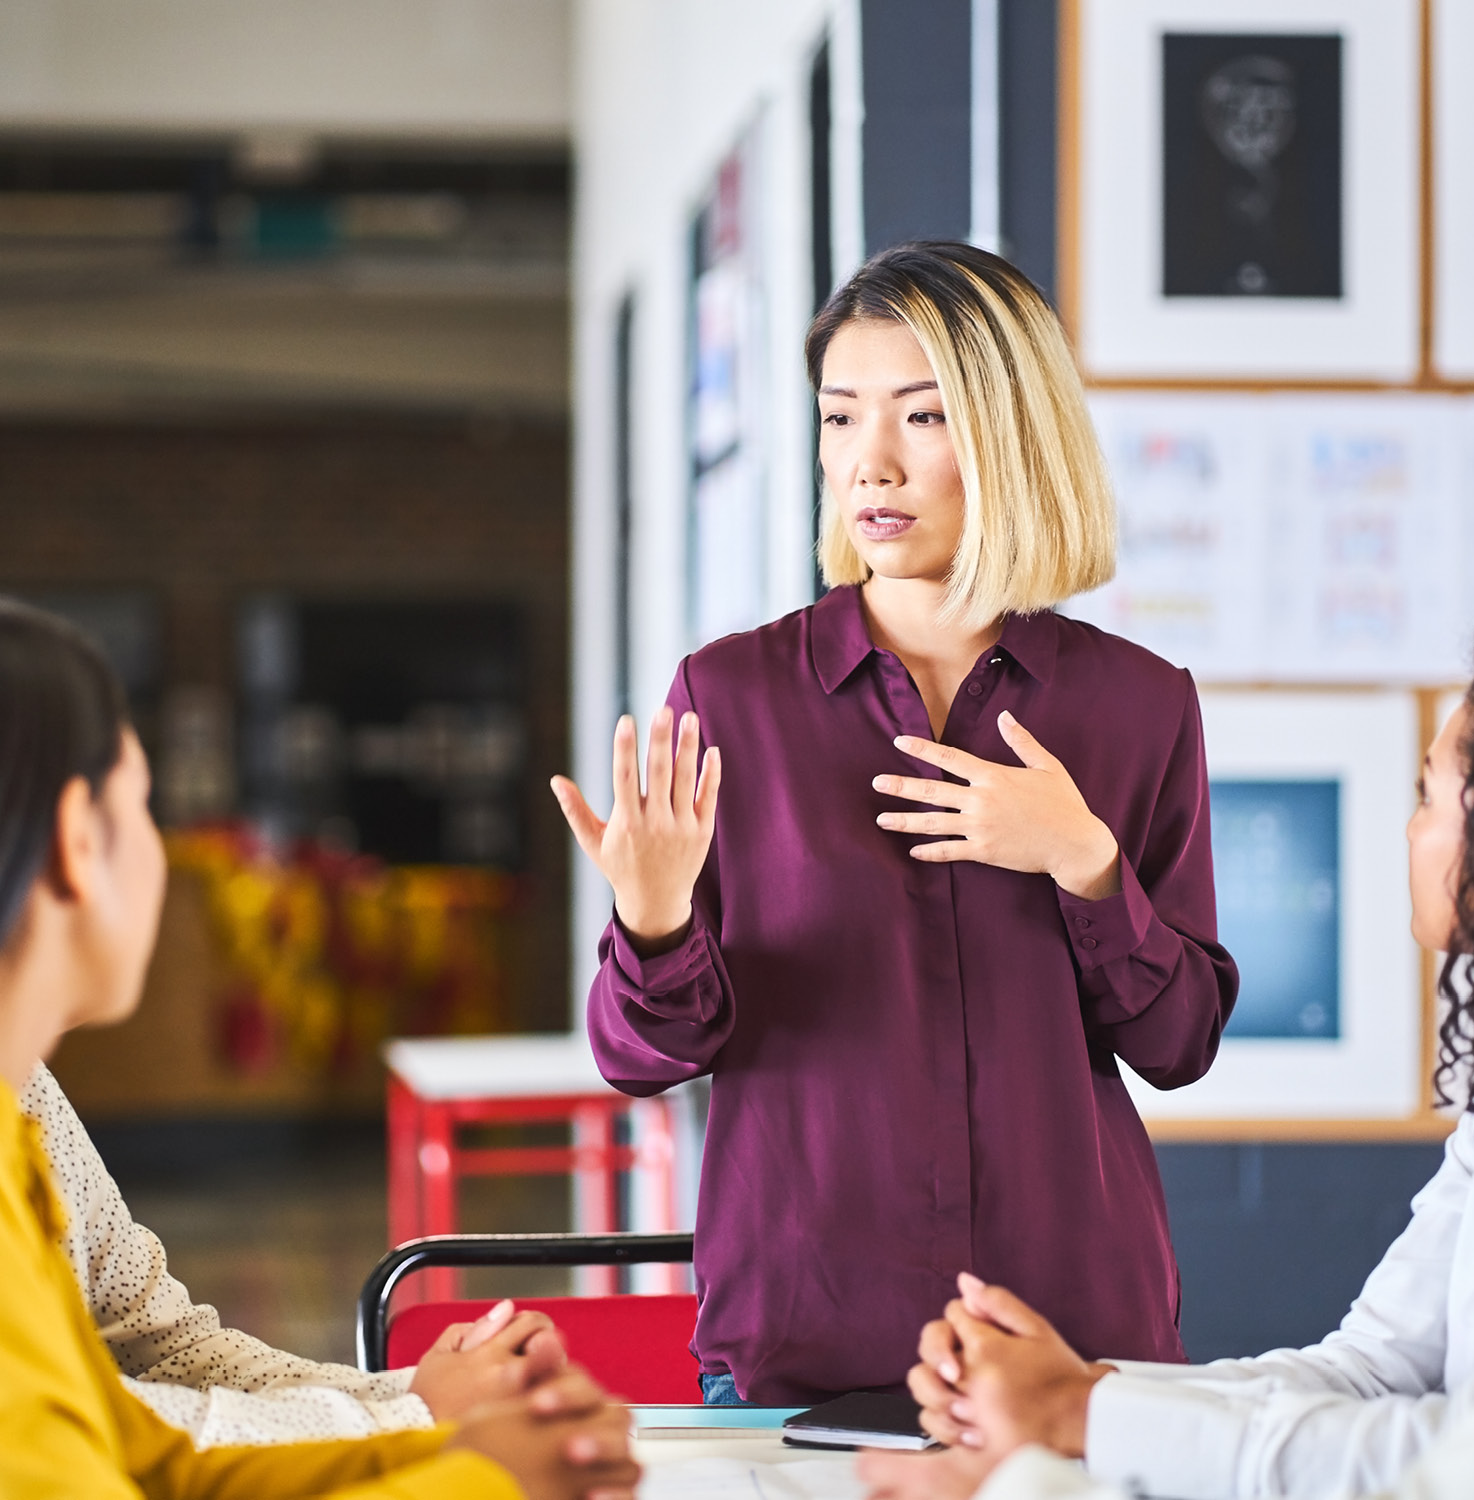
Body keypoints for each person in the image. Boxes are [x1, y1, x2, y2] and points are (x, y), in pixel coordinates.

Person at [864, 598, 1474, 1500]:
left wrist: (1084, 1414)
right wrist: (1081, 1394)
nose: (1410, 826)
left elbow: (1469, 1463)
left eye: (1429, 792)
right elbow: (1369, 1372)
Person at [552, 241, 1239, 1404]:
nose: (869, 463)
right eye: (839, 419)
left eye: (922, 418)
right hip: (803, 1332)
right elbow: (638, 1057)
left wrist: (1083, 861)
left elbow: (1178, 1045)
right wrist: (655, 923)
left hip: (1071, 1334)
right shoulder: (732, 699)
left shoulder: (1136, 703)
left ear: (1012, 435)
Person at [0, 597, 638, 1500]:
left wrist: (417, 1406)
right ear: (74, 842)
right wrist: (465, 1465)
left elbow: (145, 1411)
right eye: (144, 808)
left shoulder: (21, 1108)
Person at [24, 1060, 568, 1446]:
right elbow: (63, 1425)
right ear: (73, 891)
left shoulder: (26, 1083)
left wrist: (415, 1390)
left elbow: (163, 1351)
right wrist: (413, 1414)